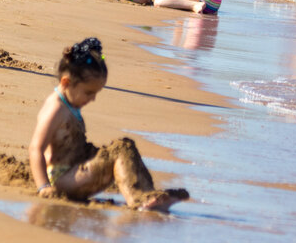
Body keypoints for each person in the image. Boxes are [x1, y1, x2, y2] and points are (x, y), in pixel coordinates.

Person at [28, 37, 188, 211]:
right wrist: (43, 186)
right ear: (66, 82)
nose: (93, 99)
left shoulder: (69, 101)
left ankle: (148, 193)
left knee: (126, 147)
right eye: (88, 93)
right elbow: (36, 148)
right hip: (63, 178)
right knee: (119, 150)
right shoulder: (55, 109)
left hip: (76, 165)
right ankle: (138, 199)